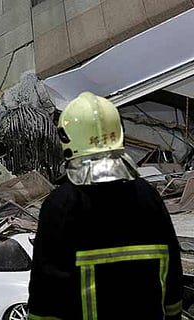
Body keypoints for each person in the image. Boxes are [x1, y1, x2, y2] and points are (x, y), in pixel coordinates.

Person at [27, 92, 183, 319]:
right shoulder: (149, 196)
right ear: (119, 133)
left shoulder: (60, 206)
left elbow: (47, 293)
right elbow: (172, 273)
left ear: (67, 140)